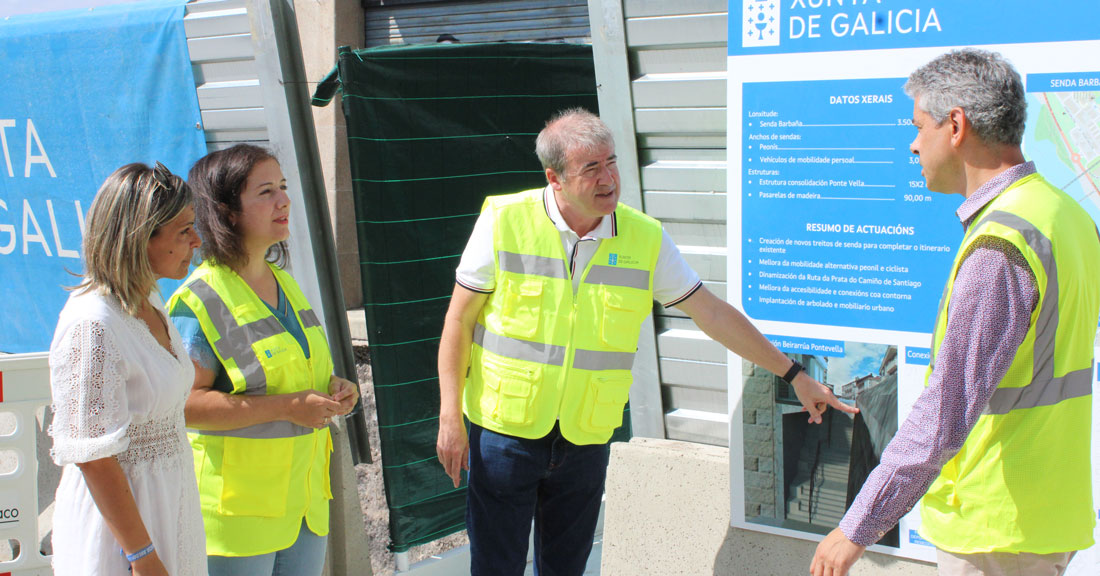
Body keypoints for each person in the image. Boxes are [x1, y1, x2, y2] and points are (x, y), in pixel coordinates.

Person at [436, 108, 856, 575]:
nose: (608, 178)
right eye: (590, 168)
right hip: (504, 434)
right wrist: (450, 415)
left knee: (565, 569)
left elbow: (711, 312)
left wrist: (793, 373)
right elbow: (458, 321)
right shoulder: (503, 220)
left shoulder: (644, 237)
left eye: (611, 162)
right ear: (554, 178)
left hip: (584, 438)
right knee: (495, 567)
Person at [810, 48, 1100, 576]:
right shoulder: (1065, 213)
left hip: (994, 526)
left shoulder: (1002, 244)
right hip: (1045, 511)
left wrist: (857, 526)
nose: (914, 144)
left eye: (920, 126)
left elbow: (947, 408)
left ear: (957, 125)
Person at [167, 144, 357, 576]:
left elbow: (296, 373)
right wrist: (290, 408)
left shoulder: (285, 283)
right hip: (237, 520)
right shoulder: (200, 298)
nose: (284, 201)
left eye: (284, 188)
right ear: (226, 211)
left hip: (303, 507)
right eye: (266, 191)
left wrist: (336, 388)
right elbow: (181, 405)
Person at [49, 162, 206, 575]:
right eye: (184, 230)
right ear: (139, 237)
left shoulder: (149, 301)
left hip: (168, 507)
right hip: (121, 535)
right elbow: (94, 458)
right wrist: (143, 558)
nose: (197, 240)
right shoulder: (93, 323)